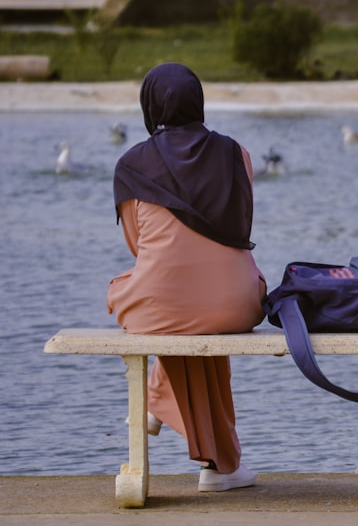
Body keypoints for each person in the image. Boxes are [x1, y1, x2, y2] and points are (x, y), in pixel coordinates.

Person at [107, 62, 266, 492]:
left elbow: (139, 248)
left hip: (166, 301)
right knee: (198, 313)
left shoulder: (132, 166)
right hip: (237, 303)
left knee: (137, 293)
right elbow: (241, 227)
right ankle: (221, 467)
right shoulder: (237, 153)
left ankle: (159, 403)